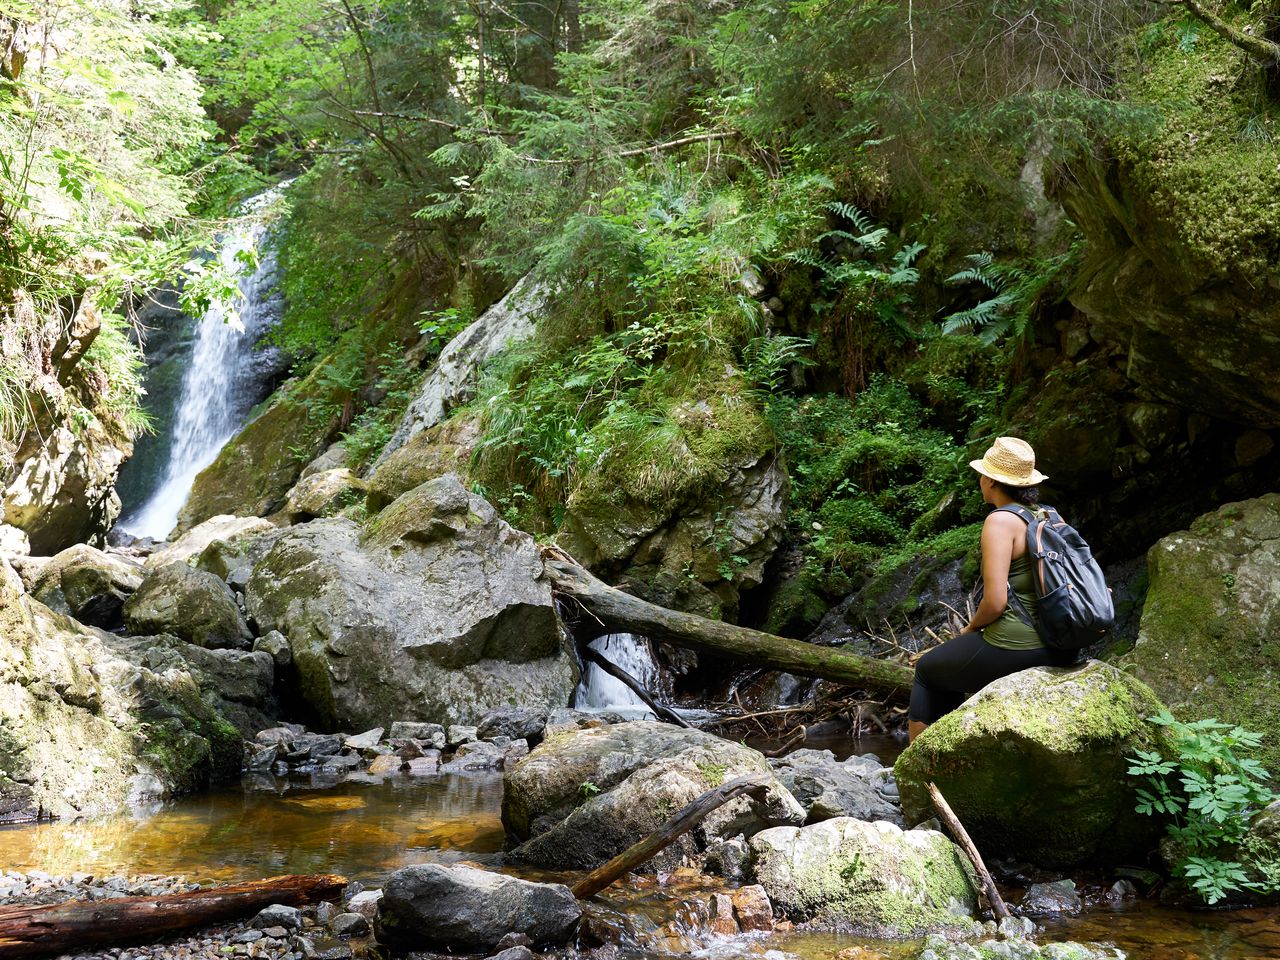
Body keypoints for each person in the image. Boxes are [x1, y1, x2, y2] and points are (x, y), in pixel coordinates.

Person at [907, 436, 1078, 743]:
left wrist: (969, 629)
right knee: (950, 670)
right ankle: (955, 751)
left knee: (927, 669)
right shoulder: (1051, 516)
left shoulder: (1000, 522)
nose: (980, 479)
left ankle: (916, 769)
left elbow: (996, 602)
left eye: (983, 474)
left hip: (1020, 647)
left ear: (991, 481)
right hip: (1063, 643)